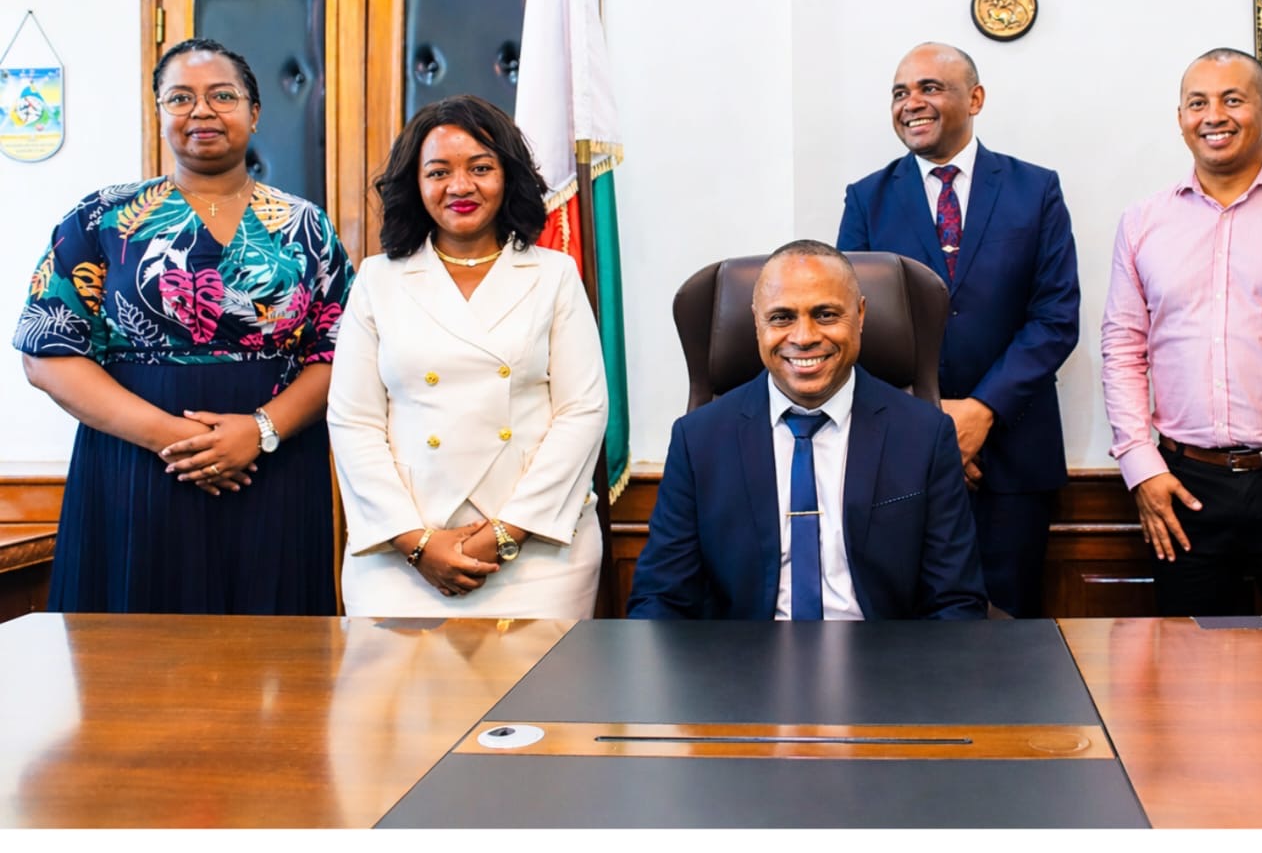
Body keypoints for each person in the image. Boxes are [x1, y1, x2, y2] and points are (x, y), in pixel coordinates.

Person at [15, 38, 353, 613]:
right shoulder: (101, 218)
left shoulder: (306, 225)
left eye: (222, 96)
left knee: (273, 650)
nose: (202, 111)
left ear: (254, 112)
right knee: (129, 646)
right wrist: (172, 438)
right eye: (180, 98)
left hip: (272, 468)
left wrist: (260, 431)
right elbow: (47, 354)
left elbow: (340, 352)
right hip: (132, 468)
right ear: (159, 112)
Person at [327, 94, 607, 616]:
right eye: (439, 172)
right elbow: (353, 421)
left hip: (538, 548)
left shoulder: (554, 275)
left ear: (508, 177)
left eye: (480, 168)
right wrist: (416, 543)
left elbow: (582, 411)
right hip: (401, 553)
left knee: (540, 675)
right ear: (415, 184)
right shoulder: (377, 280)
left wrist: (506, 534)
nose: (460, 186)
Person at [837, 42, 1079, 617]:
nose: (911, 103)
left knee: (1009, 630)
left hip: (1014, 456)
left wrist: (981, 412)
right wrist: (933, 422)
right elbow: (851, 324)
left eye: (929, 88)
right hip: (899, 453)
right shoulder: (867, 199)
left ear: (975, 98)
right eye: (899, 93)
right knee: (908, 634)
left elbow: (1055, 317)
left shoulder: (1035, 189)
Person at [627, 241, 987, 620]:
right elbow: (660, 600)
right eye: (781, 317)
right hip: (744, 654)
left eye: (826, 315)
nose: (803, 337)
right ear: (756, 322)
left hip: (883, 653)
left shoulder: (924, 435)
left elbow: (955, 602)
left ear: (860, 314)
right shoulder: (699, 440)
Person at [1101, 48, 1262, 616]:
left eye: (1233, 100)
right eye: (1197, 103)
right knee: (1190, 655)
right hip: (1184, 484)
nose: (1214, 116)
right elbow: (1123, 349)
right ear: (1180, 117)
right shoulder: (1143, 220)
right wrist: (1140, 465)